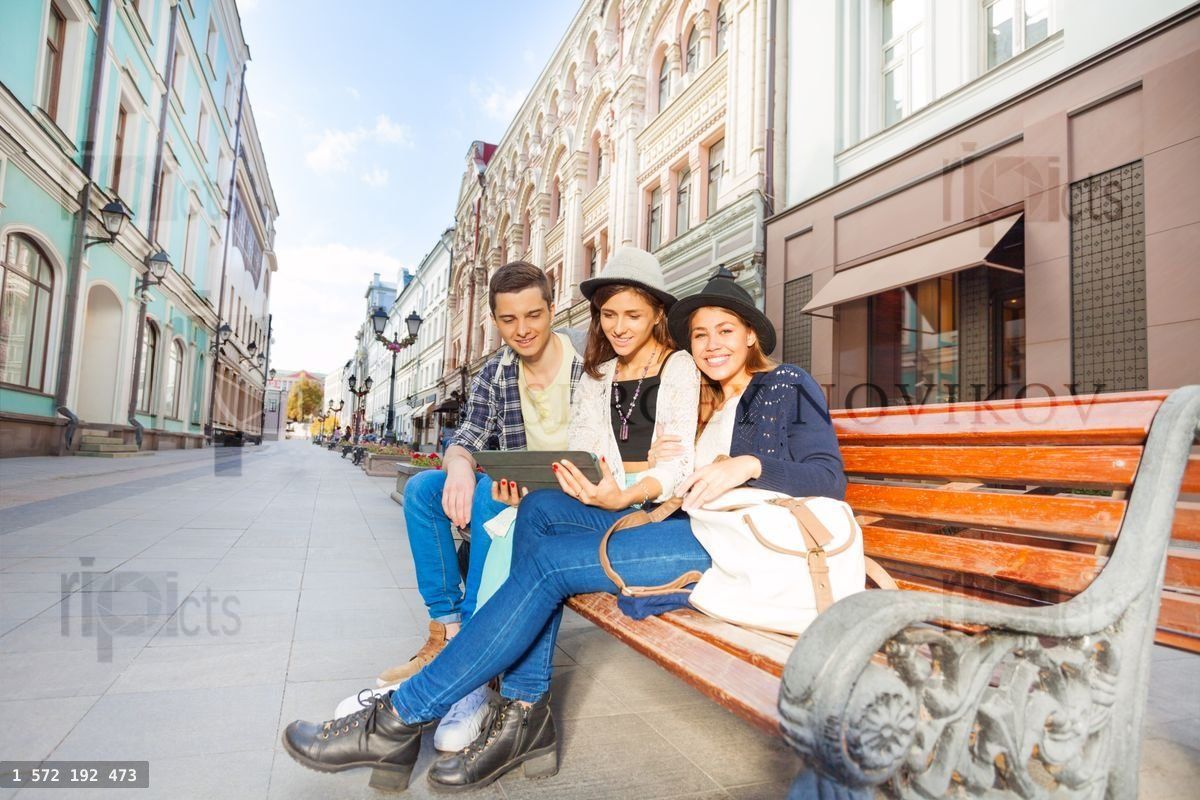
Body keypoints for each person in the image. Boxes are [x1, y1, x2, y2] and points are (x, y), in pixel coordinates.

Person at [281, 265, 845, 792]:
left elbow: (827, 477)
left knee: (548, 567)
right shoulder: (707, 394)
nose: (712, 344)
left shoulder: (785, 384)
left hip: (734, 552)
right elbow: (653, 456)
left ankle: (404, 715)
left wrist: (745, 465)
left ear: (753, 337)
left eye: (726, 331)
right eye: (700, 335)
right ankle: (522, 708)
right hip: (691, 530)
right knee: (540, 511)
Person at [363, 261, 585, 752]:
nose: (523, 330)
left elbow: (604, 455)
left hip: (569, 502)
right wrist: (459, 463)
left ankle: (474, 658)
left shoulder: (585, 365)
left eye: (533, 315)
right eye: (509, 320)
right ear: (495, 321)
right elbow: (469, 434)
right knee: (424, 489)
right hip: (513, 492)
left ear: (552, 309)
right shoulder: (496, 371)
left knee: (489, 493)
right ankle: (448, 629)